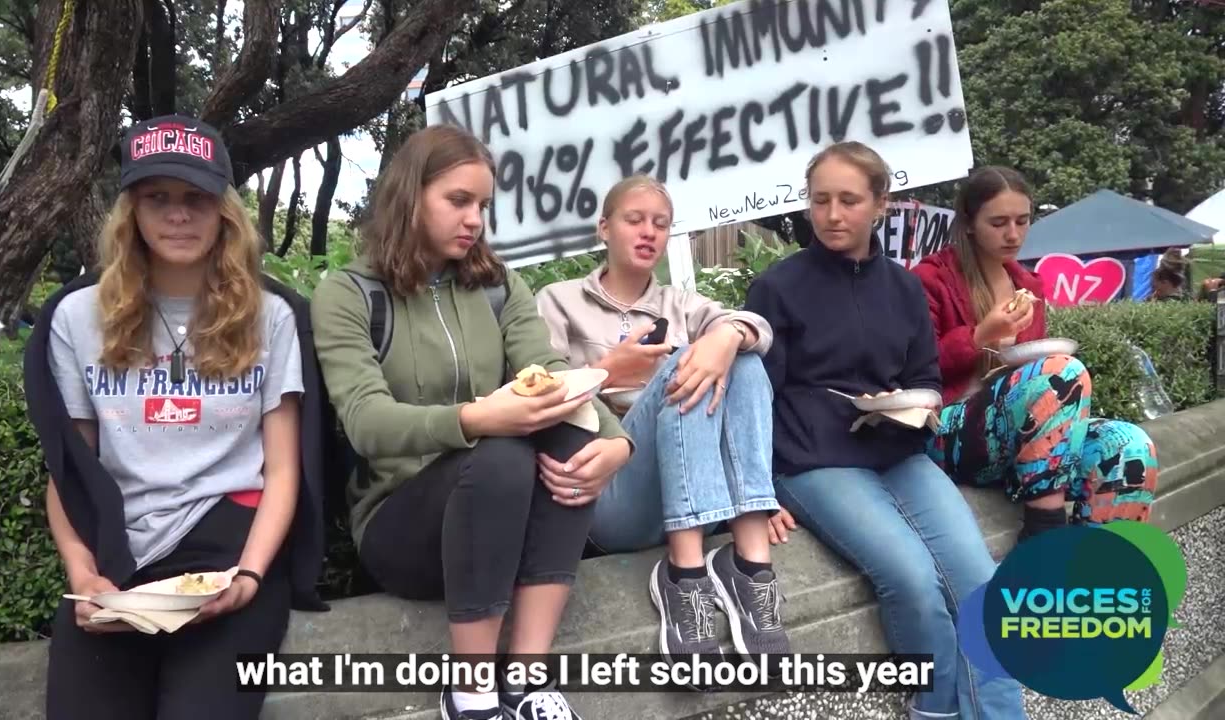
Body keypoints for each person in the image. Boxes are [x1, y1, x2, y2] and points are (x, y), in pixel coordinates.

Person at [311, 124, 632, 720]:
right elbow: (366, 421)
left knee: (568, 437)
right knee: (504, 449)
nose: (475, 220)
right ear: (410, 196)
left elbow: (556, 375)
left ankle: (529, 681)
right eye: (458, 201)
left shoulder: (497, 284)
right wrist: (477, 417)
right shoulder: (349, 294)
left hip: (498, 519)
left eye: (483, 205)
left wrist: (617, 444)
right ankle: (473, 692)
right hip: (401, 527)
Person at [25, 114, 326, 720]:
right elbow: (72, 470)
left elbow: (284, 471)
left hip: (229, 544)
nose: (178, 215)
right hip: (118, 558)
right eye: (157, 198)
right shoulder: (77, 318)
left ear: (224, 212)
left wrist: (249, 575)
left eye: (195, 198)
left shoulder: (272, 316)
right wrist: (84, 575)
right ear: (131, 210)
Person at [744, 142, 1026, 719]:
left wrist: (909, 406)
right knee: (914, 584)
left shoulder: (901, 288)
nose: (831, 214)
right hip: (813, 459)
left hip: (898, 449)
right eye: (820, 200)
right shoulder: (776, 288)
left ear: (881, 205)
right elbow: (753, 397)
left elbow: (924, 376)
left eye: (849, 200)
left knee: (977, 581)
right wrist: (753, 494)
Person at [535, 175, 790, 666]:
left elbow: (759, 329)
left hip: (694, 489)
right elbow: (540, 394)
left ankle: (752, 567)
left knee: (741, 353)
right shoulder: (557, 301)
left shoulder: (682, 304)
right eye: (635, 220)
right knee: (691, 359)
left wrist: (727, 336)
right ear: (604, 228)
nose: (649, 232)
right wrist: (608, 373)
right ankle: (683, 576)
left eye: (660, 224)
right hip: (609, 491)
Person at [911, 166, 1158, 536]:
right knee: (1064, 373)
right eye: (998, 223)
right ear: (968, 223)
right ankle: (1044, 532)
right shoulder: (929, 278)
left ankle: (1098, 572)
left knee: (1128, 445)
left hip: (1022, 435)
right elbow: (917, 366)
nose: (1013, 234)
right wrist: (980, 335)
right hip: (947, 430)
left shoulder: (1028, 283)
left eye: (1022, 221)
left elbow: (1034, 376)